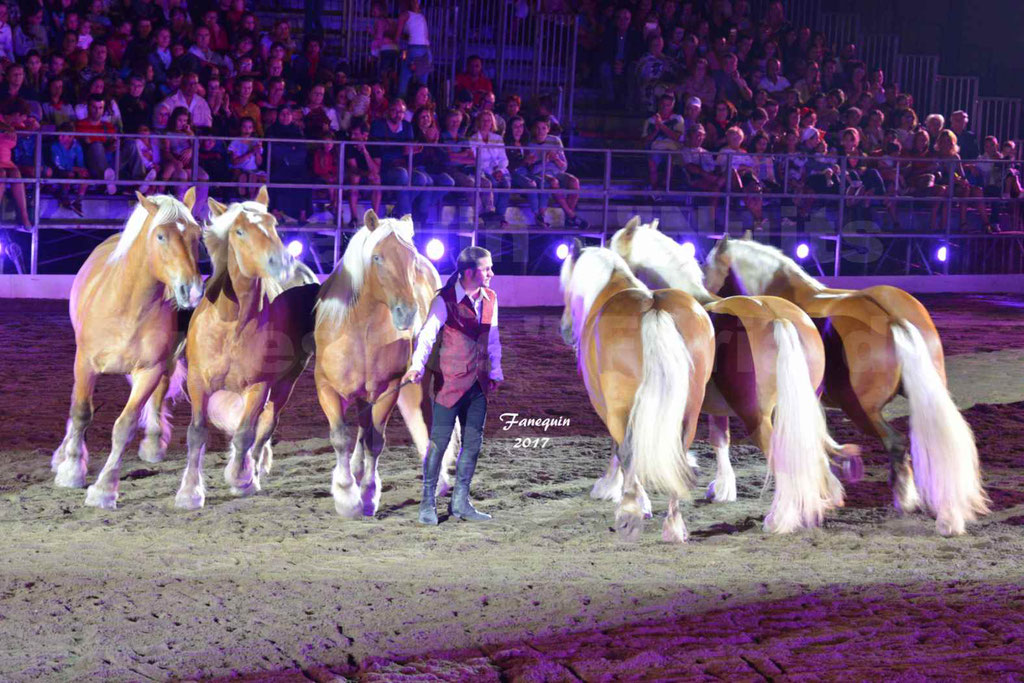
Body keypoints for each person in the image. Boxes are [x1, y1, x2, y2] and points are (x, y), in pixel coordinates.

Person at [402, 245, 503, 525]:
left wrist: (495, 371)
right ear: (469, 272)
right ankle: (427, 503)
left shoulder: (491, 298)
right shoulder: (444, 300)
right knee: (439, 444)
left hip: (478, 385)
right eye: (486, 268)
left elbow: (492, 338)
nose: (491, 273)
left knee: (472, 444)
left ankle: (460, 502)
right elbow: (427, 336)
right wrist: (416, 366)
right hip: (449, 385)